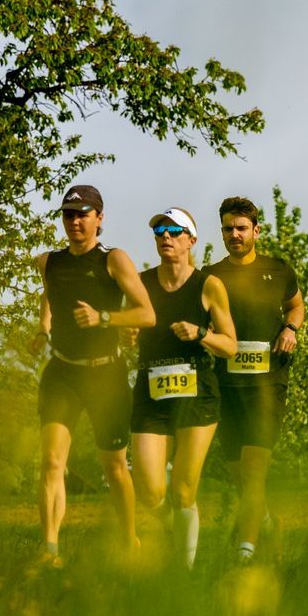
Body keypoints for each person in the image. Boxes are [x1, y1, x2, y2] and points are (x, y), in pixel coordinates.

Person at [34, 184, 153, 567]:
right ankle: (50, 551)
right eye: (68, 214)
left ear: (99, 218)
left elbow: (146, 314)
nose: (75, 222)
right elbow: (50, 294)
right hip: (63, 372)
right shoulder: (48, 262)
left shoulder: (114, 260)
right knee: (52, 462)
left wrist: (104, 318)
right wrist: (42, 328)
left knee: (114, 466)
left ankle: (128, 541)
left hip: (106, 376)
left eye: (83, 214)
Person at [130, 208, 235, 570]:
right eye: (159, 230)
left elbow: (231, 345)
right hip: (151, 391)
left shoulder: (208, 286)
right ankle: (172, 529)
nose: (165, 237)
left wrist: (201, 333)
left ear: (191, 240)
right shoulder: (140, 284)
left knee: (183, 491)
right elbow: (127, 325)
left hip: (197, 391)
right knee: (149, 490)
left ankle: (183, 574)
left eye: (175, 231)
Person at [209, 197, 307, 566]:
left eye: (241, 228)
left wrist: (290, 327)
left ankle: (244, 553)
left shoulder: (278, 270)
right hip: (227, 384)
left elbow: (295, 305)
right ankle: (268, 523)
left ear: (256, 231)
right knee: (240, 476)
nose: (234, 235)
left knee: (253, 469)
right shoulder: (212, 275)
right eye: (227, 229)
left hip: (269, 383)